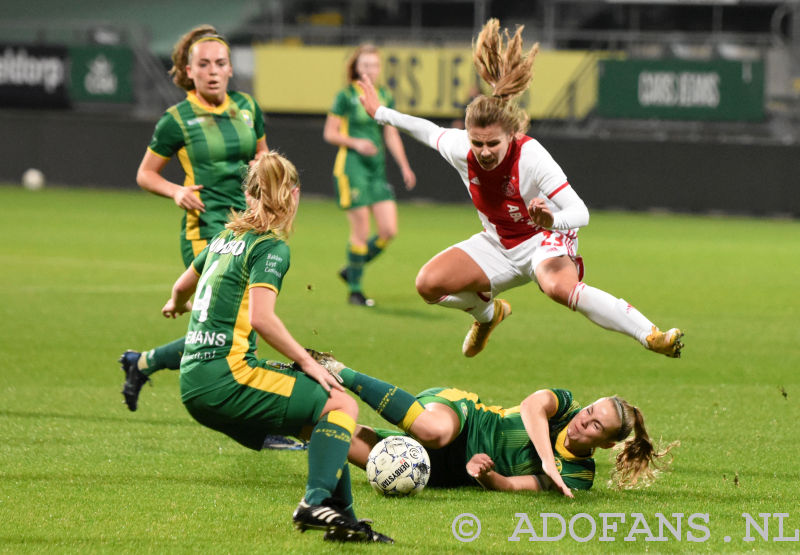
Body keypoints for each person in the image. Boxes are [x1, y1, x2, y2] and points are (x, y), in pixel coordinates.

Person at [356, 19, 684, 358]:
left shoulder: (531, 156)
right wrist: (380, 112)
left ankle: (651, 335)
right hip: (499, 243)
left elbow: (580, 212)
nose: (483, 151)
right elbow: (424, 130)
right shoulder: (461, 148)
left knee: (559, 288)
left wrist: (550, 222)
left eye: (492, 144)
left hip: (545, 238)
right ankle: (488, 315)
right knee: (428, 285)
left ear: (511, 135)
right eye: (477, 142)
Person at [158, 152, 392, 543]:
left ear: (249, 194)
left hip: (194, 381)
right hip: (227, 378)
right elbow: (263, 320)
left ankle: (344, 520)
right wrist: (307, 361)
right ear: (294, 195)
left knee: (316, 419)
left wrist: (175, 305)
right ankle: (315, 500)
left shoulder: (223, 237)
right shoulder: (270, 247)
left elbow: (182, 287)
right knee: (340, 402)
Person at [309, 352, 677, 495]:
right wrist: (548, 459)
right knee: (434, 432)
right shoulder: (565, 406)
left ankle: (291, 397)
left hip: (447, 471)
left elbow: (514, 486)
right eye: (590, 413)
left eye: (597, 427)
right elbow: (534, 405)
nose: (585, 422)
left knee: (331, 435)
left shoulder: (579, 477)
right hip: (463, 418)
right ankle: (341, 372)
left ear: (607, 445)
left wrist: (485, 474)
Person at [323, 44, 417, 307]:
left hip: (376, 171)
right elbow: (329, 133)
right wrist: (355, 143)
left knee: (388, 230)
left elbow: (391, 133)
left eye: (374, 65)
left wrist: (404, 166)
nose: (370, 70)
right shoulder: (345, 96)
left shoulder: (384, 95)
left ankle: (352, 268)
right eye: (365, 65)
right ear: (356, 68)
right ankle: (355, 291)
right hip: (351, 169)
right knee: (361, 231)